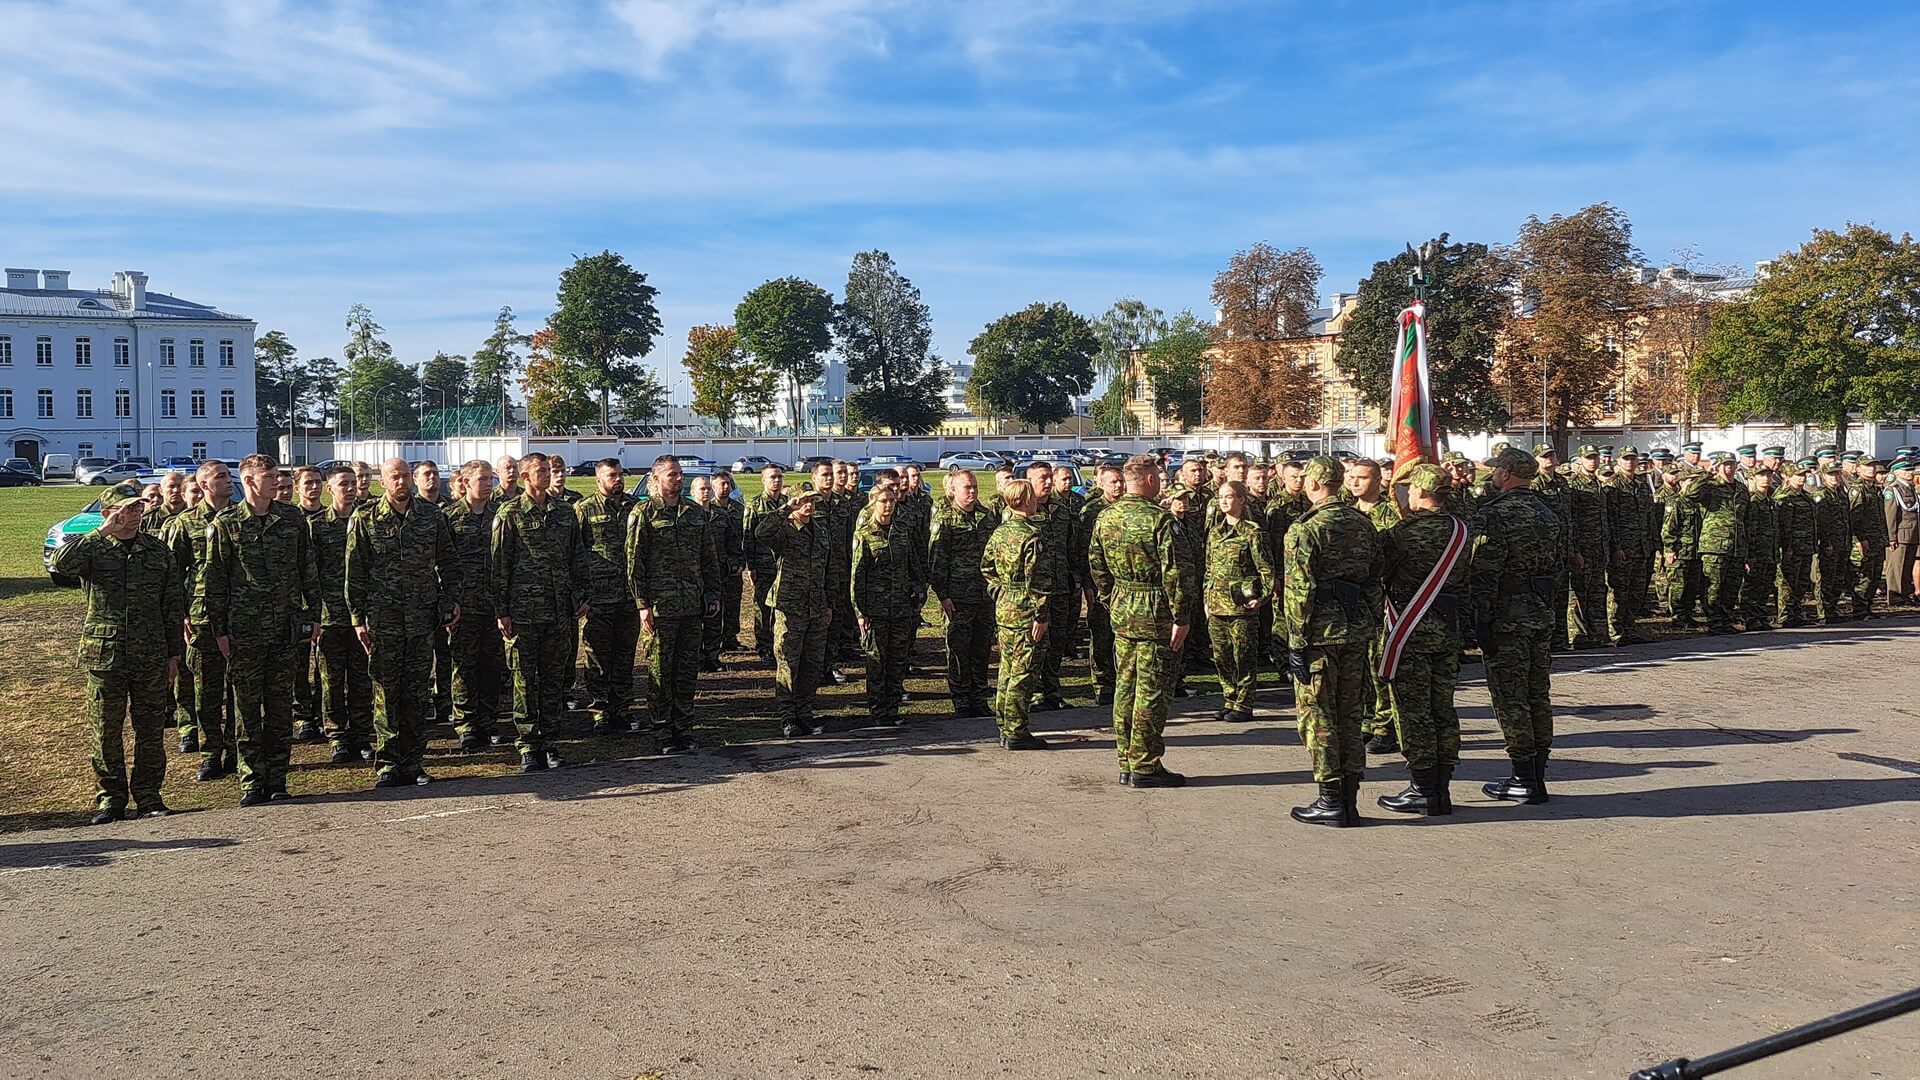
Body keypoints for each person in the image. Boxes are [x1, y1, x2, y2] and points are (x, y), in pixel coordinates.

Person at [55, 480, 184, 824]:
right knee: (106, 731)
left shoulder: (157, 551)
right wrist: (101, 532)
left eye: (138, 507)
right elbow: (61, 564)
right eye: (127, 509)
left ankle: (149, 797)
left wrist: (173, 654)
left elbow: (172, 605)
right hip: (105, 654)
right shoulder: (94, 548)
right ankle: (110, 800)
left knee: (150, 729)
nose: (135, 514)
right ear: (108, 513)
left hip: (150, 653)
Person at [207, 454, 320, 806]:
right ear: (249, 481)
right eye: (269, 476)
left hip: (285, 628)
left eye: (277, 476)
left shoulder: (292, 518)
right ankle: (252, 780)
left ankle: (277, 779)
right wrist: (220, 631)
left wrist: (314, 614)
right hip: (244, 631)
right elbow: (215, 580)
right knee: (246, 709)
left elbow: (307, 568)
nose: (276, 482)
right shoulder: (227, 523)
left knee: (280, 707)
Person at [1281, 456, 1382, 826]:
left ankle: (1330, 799)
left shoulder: (1306, 528)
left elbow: (1299, 591)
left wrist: (1295, 640)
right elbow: (1374, 581)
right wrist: (1370, 623)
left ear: (1313, 483)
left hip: (1319, 635)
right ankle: (1349, 799)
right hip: (1355, 630)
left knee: (1318, 716)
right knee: (1350, 715)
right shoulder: (1363, 523)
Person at [346, 458, 459, 789]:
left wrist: (450, 600)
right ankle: (388, 763)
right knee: (386, 693)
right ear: (382, 482)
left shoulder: (431, 516)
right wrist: (358, 619)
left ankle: (413, 761)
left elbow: (449, 564)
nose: (401, 482)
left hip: (422, 620)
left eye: (405, 476)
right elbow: (355, 572)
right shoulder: (365, 518)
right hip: (384, 621)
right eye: (394, 477)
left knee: (416, 693)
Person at [1088, 455, 1192, 789]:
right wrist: (1182, 616)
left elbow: (1097, 565)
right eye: (1157, 477)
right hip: (1155, 610)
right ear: (1149, 480)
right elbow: (1177, 573)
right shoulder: (1160, 520)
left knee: (1126, 687)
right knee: (1152, 690)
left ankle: (1127, 758)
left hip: (1123, 608)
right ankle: (1145, 764)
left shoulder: (1106, 516)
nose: (1161, 482)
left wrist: (1111, 598)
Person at [1375, 465, 1471, 816]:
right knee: (1442, 708)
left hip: (1410, 631)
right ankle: (1441, 788)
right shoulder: (1461, 531)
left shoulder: (1402, 534)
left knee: (1414, 712)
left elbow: (1380, 572)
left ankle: (1422, 788)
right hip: (1447, 630)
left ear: (1420, 491)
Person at [1472, 447, 1564, 805]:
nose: (1493, 474)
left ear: (1506, 474)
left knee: (1511, 698)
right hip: (1539, 610)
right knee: (1537, 694)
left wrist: (1481, 616)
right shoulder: (1547, 512)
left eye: (1497, 470)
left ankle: (1523, 778)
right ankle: (1537, 774)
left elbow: (1485, 570)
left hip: (1507, 615)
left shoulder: (1495, 514)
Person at [494, 452, 588, 772]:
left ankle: (549, 742)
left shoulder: (564, 512)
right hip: (523, 612)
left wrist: (582, 594)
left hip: (558, 610)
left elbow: (577, 557)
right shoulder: (510, 513)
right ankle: (528, 745)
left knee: (553, 679)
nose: (546, 474)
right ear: (524, 477)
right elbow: (499, 565)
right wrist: (502, 610)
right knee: (524, 679)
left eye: (548, 470)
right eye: (540, 470)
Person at [628, 455, 718, 753]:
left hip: (691, 605)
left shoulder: (695, 513)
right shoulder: (643, 513)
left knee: (686, 670)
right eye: (671, 474)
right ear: (655, 479)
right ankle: (662, 730)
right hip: (660, 607)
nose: (678, 479)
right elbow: (635, 562)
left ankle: (684, 728)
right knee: (660, 670)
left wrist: (713, 594)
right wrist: (642, 604)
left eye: (680, 474)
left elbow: (708, 557)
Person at [164, 459, 236, 779]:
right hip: (201, 617)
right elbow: (172, 575)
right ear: (204, 485)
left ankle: (236, 749)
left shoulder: (241, 517)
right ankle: (210, 752)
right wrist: (181, 614)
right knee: (207, 690)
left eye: (229, 475)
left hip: (240, 613)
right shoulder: (185, 523)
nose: (228, 480)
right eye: (221, 476)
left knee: (240, 689)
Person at [756, 485, 838, 738]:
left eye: (812, 501)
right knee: (788, 663)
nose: (809, 506)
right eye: (803, 501)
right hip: (790, 606)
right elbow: (761, 532)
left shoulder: (820, 530)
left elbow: (829, 568)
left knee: (812, 664)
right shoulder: (784, 530)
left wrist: (830, 603)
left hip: (816, 606)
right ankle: (788, 717)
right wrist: (785, 509)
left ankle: (805, 713)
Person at [980, 479, 1052, 749]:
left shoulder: (1000, 532)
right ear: (1025, 501)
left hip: (1006, 609)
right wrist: (1041, 615)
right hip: (1025, 611)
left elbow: (986, 567)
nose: (1035, 502)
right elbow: (1039, 581)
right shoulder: (1031, 536)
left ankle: (1004, 724)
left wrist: (1000, 590)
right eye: (1032, 498)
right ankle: (1016, 730)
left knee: (1008, 669)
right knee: (1024, 672)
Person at [311, 467, 375, 763]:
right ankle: (337, 735)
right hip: (331, 615)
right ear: (330, 489)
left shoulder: (369, 519)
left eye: (353, 484)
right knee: (332, 680)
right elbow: (309, 573)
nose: (350, 489)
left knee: (362, 678)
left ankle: (362, 735)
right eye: (343, 484)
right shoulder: (316, 526)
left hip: (363, 614)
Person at [572, 458, 639, 733]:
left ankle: (622, 709)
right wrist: (581, 594)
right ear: (598, 480)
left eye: (620, 474)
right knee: (598, 656)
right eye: (612, 475)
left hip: (630, 595)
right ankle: (600, 711)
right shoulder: (584, 509)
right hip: (599, 596)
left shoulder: (635, 507)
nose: (618, 480)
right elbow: (574, 553)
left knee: (625, 655)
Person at [444, 461, 507, 749]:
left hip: (494, 604)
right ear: (466, 482)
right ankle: (466, 723)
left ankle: (488, 721)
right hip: (464, 605)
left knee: (493, 664)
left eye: (490, 479)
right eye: (482, 479)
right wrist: (448, 602)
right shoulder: (450, 517)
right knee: (464, 665)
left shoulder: (501, 514)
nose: (488, 484)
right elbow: (441, 563)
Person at [929, 469, 999, 719]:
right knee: (959, 650)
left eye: (975, 487)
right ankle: (961, 700)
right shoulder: (946, 519)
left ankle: (979, 698)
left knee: (981, 649)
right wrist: (943, 595)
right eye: (966, 487)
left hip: (984, 595)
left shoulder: (986, 517)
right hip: (957, 597)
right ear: (954, 490)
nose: (972, 491)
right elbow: (937, 560)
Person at [853, 486, 923, 727]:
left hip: (901, 607)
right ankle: (877, 710)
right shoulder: (865, 534)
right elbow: (857, 577)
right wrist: (860, 612)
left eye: (892, 500)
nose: (889, 505)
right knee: (877, 661)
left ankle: (892, 708)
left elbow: (913, 564)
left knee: (897, 659)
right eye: (883, 501)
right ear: (873, 503)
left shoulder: (902, 531)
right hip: (876, 609)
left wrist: (919, 591)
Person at [1205, 480, 1273, 724]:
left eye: (1230, 496)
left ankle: (1244, 703)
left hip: (1241, 606)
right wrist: (1206, 599)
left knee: (1243, 656)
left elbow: (1266, 569)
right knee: (1222, 657)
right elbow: (1209, 568)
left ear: (1242, 500)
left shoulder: (1252, 532)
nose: (1224, 501)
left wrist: (1261, 598)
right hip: (1217, 604)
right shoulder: (1215, 532)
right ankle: (1229, 699)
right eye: (1221, 497)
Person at [1024, 461, 1076, 710]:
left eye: (1049, 477)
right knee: (1036, 643)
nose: (1047, 482)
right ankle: (1033, 692)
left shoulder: (1061, 510)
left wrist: (1075, 578)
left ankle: (1052, 692)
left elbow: (1071, 547)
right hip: (1035, 592)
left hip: (1061, 587)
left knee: (1057, 642)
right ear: (1029, 481)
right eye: (1042, 477)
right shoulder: (1022, 512)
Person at [1681, 452, 1748, 634]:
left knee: (1731, 587)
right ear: (1718, 467)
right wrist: (1706, 475)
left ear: (1736, 466)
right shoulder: (1710, 486)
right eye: (1724, 464)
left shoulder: (1741, 489)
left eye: (1731, 464)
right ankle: (1714, 622)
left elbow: (1746, 518)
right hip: (1714, 546)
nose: (1728, 468)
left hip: (1737, 546)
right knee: (1713, 587)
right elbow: (1689, 494)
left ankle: (1726, 620)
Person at [1077, 465, 1124, 706]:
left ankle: (1123, 683)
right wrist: (1088, 585)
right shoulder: (1092, 510)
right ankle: (1103, 684)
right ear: (1101, 484)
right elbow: (1086, 551)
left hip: (1126, 584)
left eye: (1120, 481)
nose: (1118, 485)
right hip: (1100, 583)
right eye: (1113, 482)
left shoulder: (1127, 508)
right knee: (1102, 635)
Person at [289, 466, 328, 745]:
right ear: (297, 488)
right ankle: (303, 716)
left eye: (317, 482)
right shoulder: (290, 520)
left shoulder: (330, 518)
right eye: (308, 483)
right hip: (297, 603)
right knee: (299, 665)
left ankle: (322, 712)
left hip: (326, 600)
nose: (314, 487)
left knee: (324, 664)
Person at [1566, 445, 1613, 648]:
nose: (1592, 461)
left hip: (1599, 548)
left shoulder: (1599, 485)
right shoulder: (1574, 486)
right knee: (1579, 593)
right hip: (1583, 548)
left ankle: (1597, 634)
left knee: (1597, 592)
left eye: (1595, 457)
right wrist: (1575, 551)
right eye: (1588, 458)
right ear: (1580, 460)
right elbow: (1572, 520)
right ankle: (1579, 635)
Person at [742, 463, 788, 666]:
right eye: (772, 477)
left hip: (784, 565)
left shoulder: (788, 503)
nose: (776, 480)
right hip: (763, 565)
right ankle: (764, 647)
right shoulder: (755, 505)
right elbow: (748, 537)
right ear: (763, 480)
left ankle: (781, 644)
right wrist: (750, 566)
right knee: (762, 608)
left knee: (783, 607)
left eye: (779, 477)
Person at [1775, 459, 1819, 627]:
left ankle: (1796, 613)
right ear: (1787, 477)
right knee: (1788, 583)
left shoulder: (1806, 496)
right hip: (1792, 548)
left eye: (1803, 475)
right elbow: (1784, 526)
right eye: (1797, 475)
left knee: (1801, 583)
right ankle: (1785, 616)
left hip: (1806, 546)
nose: (1802, 478)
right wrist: (1787, 548)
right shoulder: (1785, 497)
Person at [1813, 460, 1854, 624]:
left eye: (1837, 473)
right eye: (1831, 474)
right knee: (1826, 578)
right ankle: (1824, 612)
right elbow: (1821, 523)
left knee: (1838, 578)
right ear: (1824, 476)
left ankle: (1833, 608)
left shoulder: (1841, 494)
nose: (1835, 477)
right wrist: (1826, 543)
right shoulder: (1821, 494)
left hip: (1842, 542)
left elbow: (1846, 520)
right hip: (1829, 544)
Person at [711, 470, 747, 651]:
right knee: (716, 604)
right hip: (716, 565)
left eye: (728, 484)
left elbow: (745, 536)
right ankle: (714, 641)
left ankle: (730, 639)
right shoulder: (709, 509)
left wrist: (742, 562)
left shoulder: (739, 509)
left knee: (733, 603)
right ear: (713, 487)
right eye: (721, 484)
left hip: (734, 564)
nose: (725, 487)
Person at [1740, 470, 1780, 631]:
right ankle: (1750, 618)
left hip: (1770, 552)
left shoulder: (1770, 501)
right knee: (1753, 586)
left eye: (1768, 476)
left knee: (1765, 586)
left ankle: (1760, 616)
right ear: (1753, 479)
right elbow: (1750, 530)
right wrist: (1750, 555)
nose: (1766, 479)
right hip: (1757, 553)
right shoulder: (1753, 501)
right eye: (1761, 476)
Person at [1849, 459, 1888, 618]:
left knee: (1875, 575)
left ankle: (1868, 607)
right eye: (1867, 466)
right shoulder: (1858, 489)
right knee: (1863, 576)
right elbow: (1855, 517)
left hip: (1877, 539)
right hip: (1865, 540)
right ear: (1858, 469)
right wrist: (1860, 539)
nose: (1871, 469)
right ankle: (1859, 610)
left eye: (1872, 466)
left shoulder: (1875, 489)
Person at [1886, 455, 1919, 605]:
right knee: (1897, 567)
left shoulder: (1910, 488)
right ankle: (1895, 596)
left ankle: (1905, 594)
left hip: (1912, 533)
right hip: (1900, 534)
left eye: (1911, 469)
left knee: (1907, 566)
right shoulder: (1893, 489)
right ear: (1897, 472)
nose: (1910, 472)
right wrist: (1892, 537)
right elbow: (1891, 515)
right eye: (1906, 470)